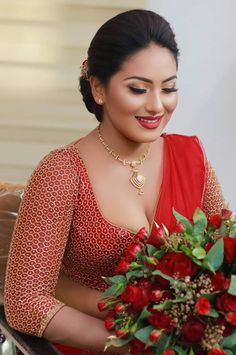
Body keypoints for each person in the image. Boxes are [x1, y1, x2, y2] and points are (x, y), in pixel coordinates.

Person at [4, 9, 225, 355]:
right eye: (138, 89)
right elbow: (24, 301)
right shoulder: (61, 172)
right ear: (98, 88)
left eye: (168, 88)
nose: (156, 106)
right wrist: (131, 345)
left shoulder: (193, 158)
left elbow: (225, 261)